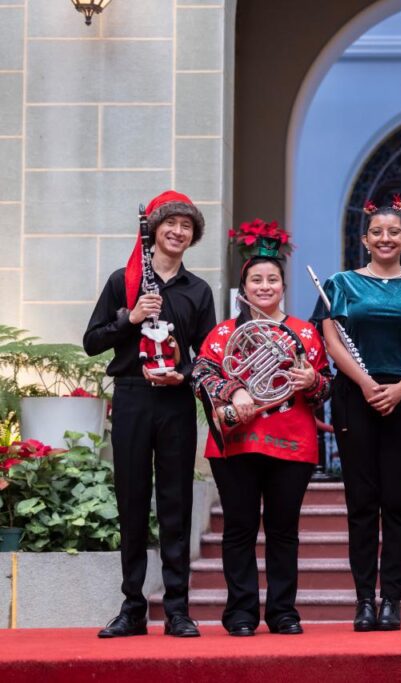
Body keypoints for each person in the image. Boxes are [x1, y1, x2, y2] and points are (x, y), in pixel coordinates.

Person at [84, 190, 217, 638]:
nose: (178, 232)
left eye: (186, 226)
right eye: (171, 224)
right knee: (133, 501)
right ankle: (133, 607)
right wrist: (130, 316)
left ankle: (178, 609)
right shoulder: (123, 280)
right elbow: (92, 341)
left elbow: (208, 357)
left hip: (175, 401)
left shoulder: (198, 290)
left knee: (176, 504)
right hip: (133, 397)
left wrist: (184, 376)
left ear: (192, 235)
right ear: (154, 230)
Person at [192, 233, 331, 637]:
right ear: (244, 288)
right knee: (239, 529)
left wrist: (311, 380)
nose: (265, 286)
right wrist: (232, 388)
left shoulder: (306, 333)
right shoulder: (222, 334)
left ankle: (283, 612)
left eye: (272, 279)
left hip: (293, 441)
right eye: (257, 280)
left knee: (284, 530)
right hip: (236, 442)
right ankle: (240, 613)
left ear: (283, 287)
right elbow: (200, 374)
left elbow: (325, 392)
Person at [311, 197, 401, 632]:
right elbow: (331, 342)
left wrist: (399, 389)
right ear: (365, 239)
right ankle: (364, 599)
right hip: (354, 396)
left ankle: (392, 601)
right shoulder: (340, 284)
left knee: (397, 503)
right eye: (377, 232)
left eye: (394, 232)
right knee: (361, 503)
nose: (386, 238)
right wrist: (366, 385)